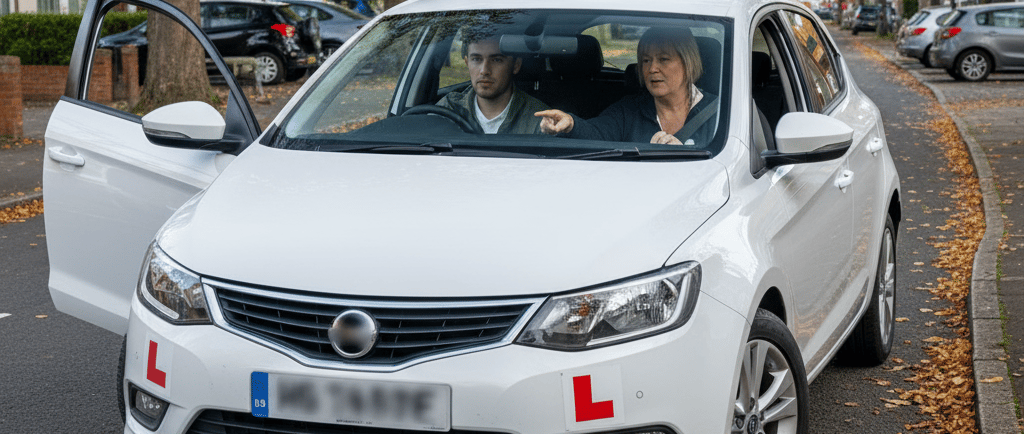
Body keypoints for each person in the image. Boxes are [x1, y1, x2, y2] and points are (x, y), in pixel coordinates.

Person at [535, 27, 716, 145]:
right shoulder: (629, 110)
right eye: (645, 60)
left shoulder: (720, 111)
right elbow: (597, 133)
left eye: (664, 59)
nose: (652, 68)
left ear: (687, 63)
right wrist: (570, 125)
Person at [436, 34, 549, 134]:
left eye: (496, 60)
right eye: (476, 59)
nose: (484, 70)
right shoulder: (447, 109)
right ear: (467, 63)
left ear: (516, 65)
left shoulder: (540, 118)